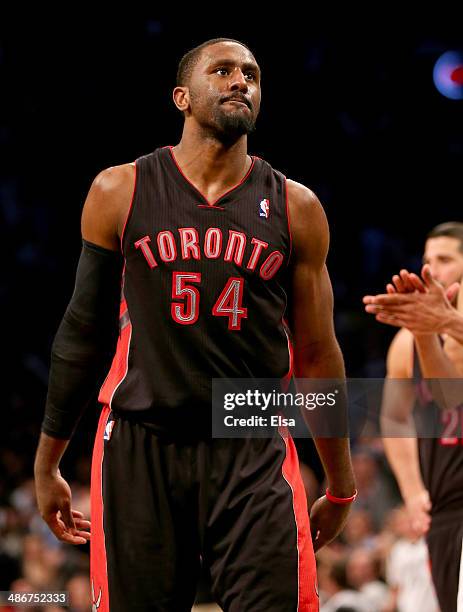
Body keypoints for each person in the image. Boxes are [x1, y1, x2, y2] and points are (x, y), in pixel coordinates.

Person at [33, 38, 356, 612]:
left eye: (252, 73)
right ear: (182, 97)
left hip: (252, 434)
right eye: (224, 70)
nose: (241, 81)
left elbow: (317, 352)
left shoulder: (296, 206)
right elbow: (82, 335)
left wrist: (339, 483)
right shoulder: (120, 189)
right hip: (140, 437)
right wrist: (48, 460)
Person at [363, 222, 463, 612]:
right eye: (426, 260)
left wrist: (444, 324)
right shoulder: (408, 342)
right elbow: (439, 399)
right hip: (444, 505)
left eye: (445, 259)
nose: (432, 269)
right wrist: (411, 489)